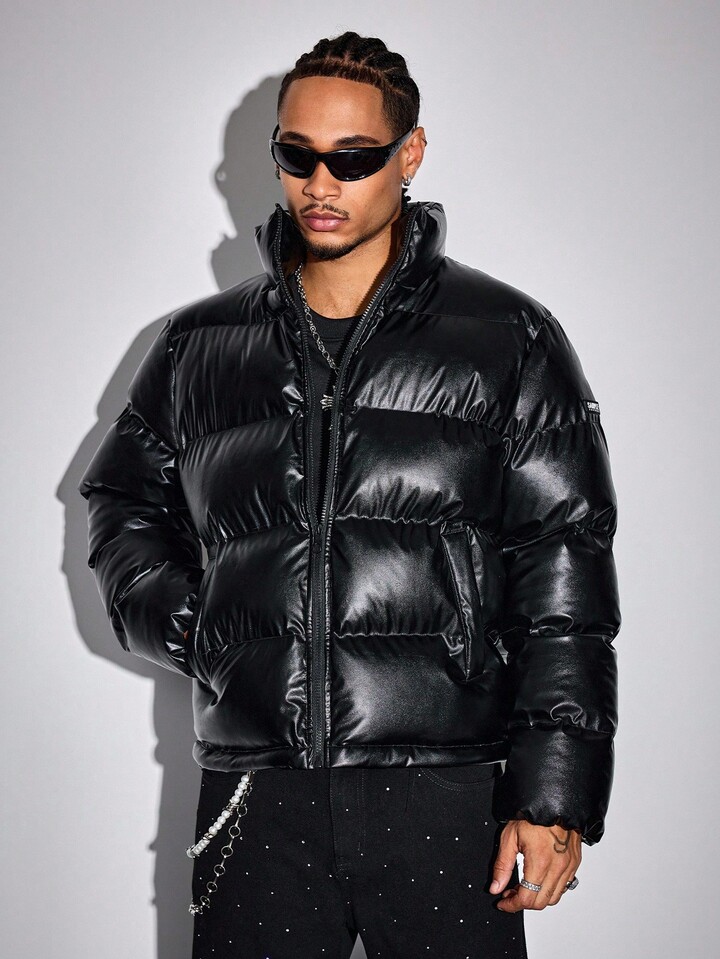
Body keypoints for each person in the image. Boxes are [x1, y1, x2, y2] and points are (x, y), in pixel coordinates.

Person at [77, 30, 621, 959]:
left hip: (444, 784)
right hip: (259, 787)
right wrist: (204, 627)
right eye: (297, 155)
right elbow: (121, 502)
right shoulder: (200, 347)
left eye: (353, 158)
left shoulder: (507, 338)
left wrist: (553, 796)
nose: (320, 184)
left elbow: (564, 571)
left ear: (410, 154)